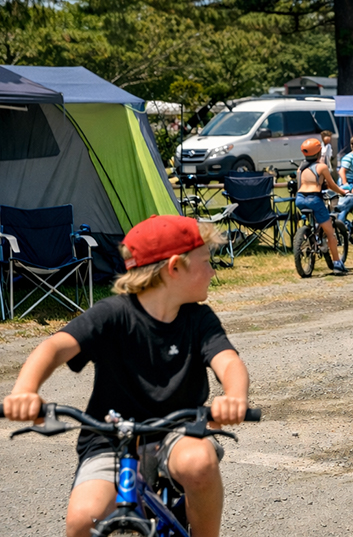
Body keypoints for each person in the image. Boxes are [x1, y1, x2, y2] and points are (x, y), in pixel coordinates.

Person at [3, 215, 252, 537]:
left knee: (200, 463)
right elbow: (54, 347)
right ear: (175, 267)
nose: (213, 270)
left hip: (176, 431)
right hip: (109, 437)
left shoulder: (199, 318)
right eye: (207, 261)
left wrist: (234, 398)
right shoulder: (112, 314)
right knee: (83, 520)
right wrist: (25, 390)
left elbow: (229, 362)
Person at [296, 138, 349, 274]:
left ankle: (311, 237)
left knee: (312, 219)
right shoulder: (321, 167)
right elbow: (331, 185)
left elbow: (300, 185)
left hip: (300, 198)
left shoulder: (300, 169)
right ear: (319, 152)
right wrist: (342, 192)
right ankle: (337, 263)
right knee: (330, 233)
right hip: (314, 198)